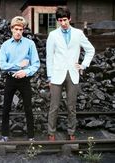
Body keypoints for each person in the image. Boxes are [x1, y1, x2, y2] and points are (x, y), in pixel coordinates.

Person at [46, 6, 95, 141]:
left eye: (65, 20)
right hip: (56, 74)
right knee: (54, 106)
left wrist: (83, 65)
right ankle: (51, 132)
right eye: (60, 20)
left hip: (73, 73)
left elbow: (90, 50)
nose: (63, 23)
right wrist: (49, 76)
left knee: (71, 106)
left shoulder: (78, 34)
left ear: (70, 19)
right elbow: (49, 56)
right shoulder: (53, 35)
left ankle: (71, 131)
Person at [0, 16, 40, 142]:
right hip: (11, 79)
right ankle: (4, 135)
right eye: (16, 29)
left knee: (28, 107)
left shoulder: (30, 44)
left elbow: (36, 63)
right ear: (11, 29)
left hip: (24, 79)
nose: (18, 32)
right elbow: (2, 65)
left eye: (21, 29)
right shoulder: (5, 45)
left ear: (23, 30)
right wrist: (18, 65)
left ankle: (31, 136)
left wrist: (26, 71)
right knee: (6, 107)